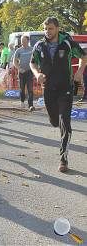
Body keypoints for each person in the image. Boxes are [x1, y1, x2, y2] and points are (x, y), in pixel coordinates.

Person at [30, 17, 87, 172]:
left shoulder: (67, 42)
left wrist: (80, 73)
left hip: (65, 88)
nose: (47, 32)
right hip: (48, 88)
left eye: (51, 29)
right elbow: (32, 62)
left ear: (57, 28)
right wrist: (36, 74)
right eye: (45, 29)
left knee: (65, 123)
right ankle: (56, 121)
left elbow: (83, 56)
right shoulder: (39, 45)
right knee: (55, 121)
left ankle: (64, 159)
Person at [13, 35, 35, 111]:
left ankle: (30, 105)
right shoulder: (18, 50)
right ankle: (22, 101)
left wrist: (35, 70)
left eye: (25, 41)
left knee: (30, 89)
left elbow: (35, 60)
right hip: (21, 72)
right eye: (22, 41)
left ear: (28, 41)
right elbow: (14, 61)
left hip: (29, 72)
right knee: (22, 88)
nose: (23, 43)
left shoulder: (32, 49)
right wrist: (19, 68)